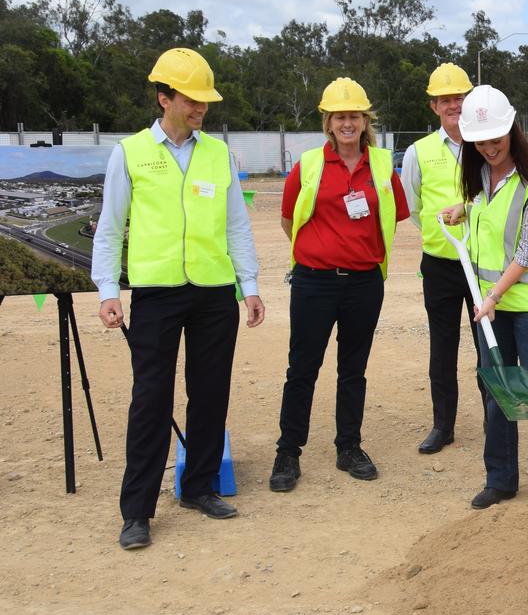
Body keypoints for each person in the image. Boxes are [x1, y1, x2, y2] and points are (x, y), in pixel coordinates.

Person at [92, 47, 266, 550]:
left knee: (211, 393)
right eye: (191, 100)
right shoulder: (129, 154)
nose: (201, 109)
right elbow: (110, 228)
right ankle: (137, 511)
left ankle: (199, 487)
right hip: (156, 294)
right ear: (163, 97)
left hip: (214, 292)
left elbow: (236, 224)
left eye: (205, 102)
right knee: (151, 400)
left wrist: (248, 286)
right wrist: (108, 289)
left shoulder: (218, 154)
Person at [268, 77, 409, 492]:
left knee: (353, 369)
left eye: (355, 116)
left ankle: (349, 447)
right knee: (302, 369)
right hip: (314, 283)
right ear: (328, 122)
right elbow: (287, 219)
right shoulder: (309, 164)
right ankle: (288, 451)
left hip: (365, 283)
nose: (347, 123)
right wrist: (320, 251)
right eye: (339, 116)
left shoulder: (382, 165)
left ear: (366, 121)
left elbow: (396, 215)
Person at [441, 85, 528, 508]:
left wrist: (493, 296)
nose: (489, 148)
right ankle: (500, 479)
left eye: (496, 139)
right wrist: (463, 208)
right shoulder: (478, 178)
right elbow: (486, 208)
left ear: (513, 132)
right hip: (493, 304)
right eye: (480, 141)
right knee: (497, 387)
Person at [399, 63, 481, 455]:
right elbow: (412, 206)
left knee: (490, 345)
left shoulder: (486, 140)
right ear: (434, 106)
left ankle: (496, 422)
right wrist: (440, 233)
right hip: (440, 264)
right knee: (442, 348)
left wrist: (467, 211)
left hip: (484, 263)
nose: (454, 106)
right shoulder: (418, 152)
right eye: (445, 100)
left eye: (459, 98)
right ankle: (443, 426)